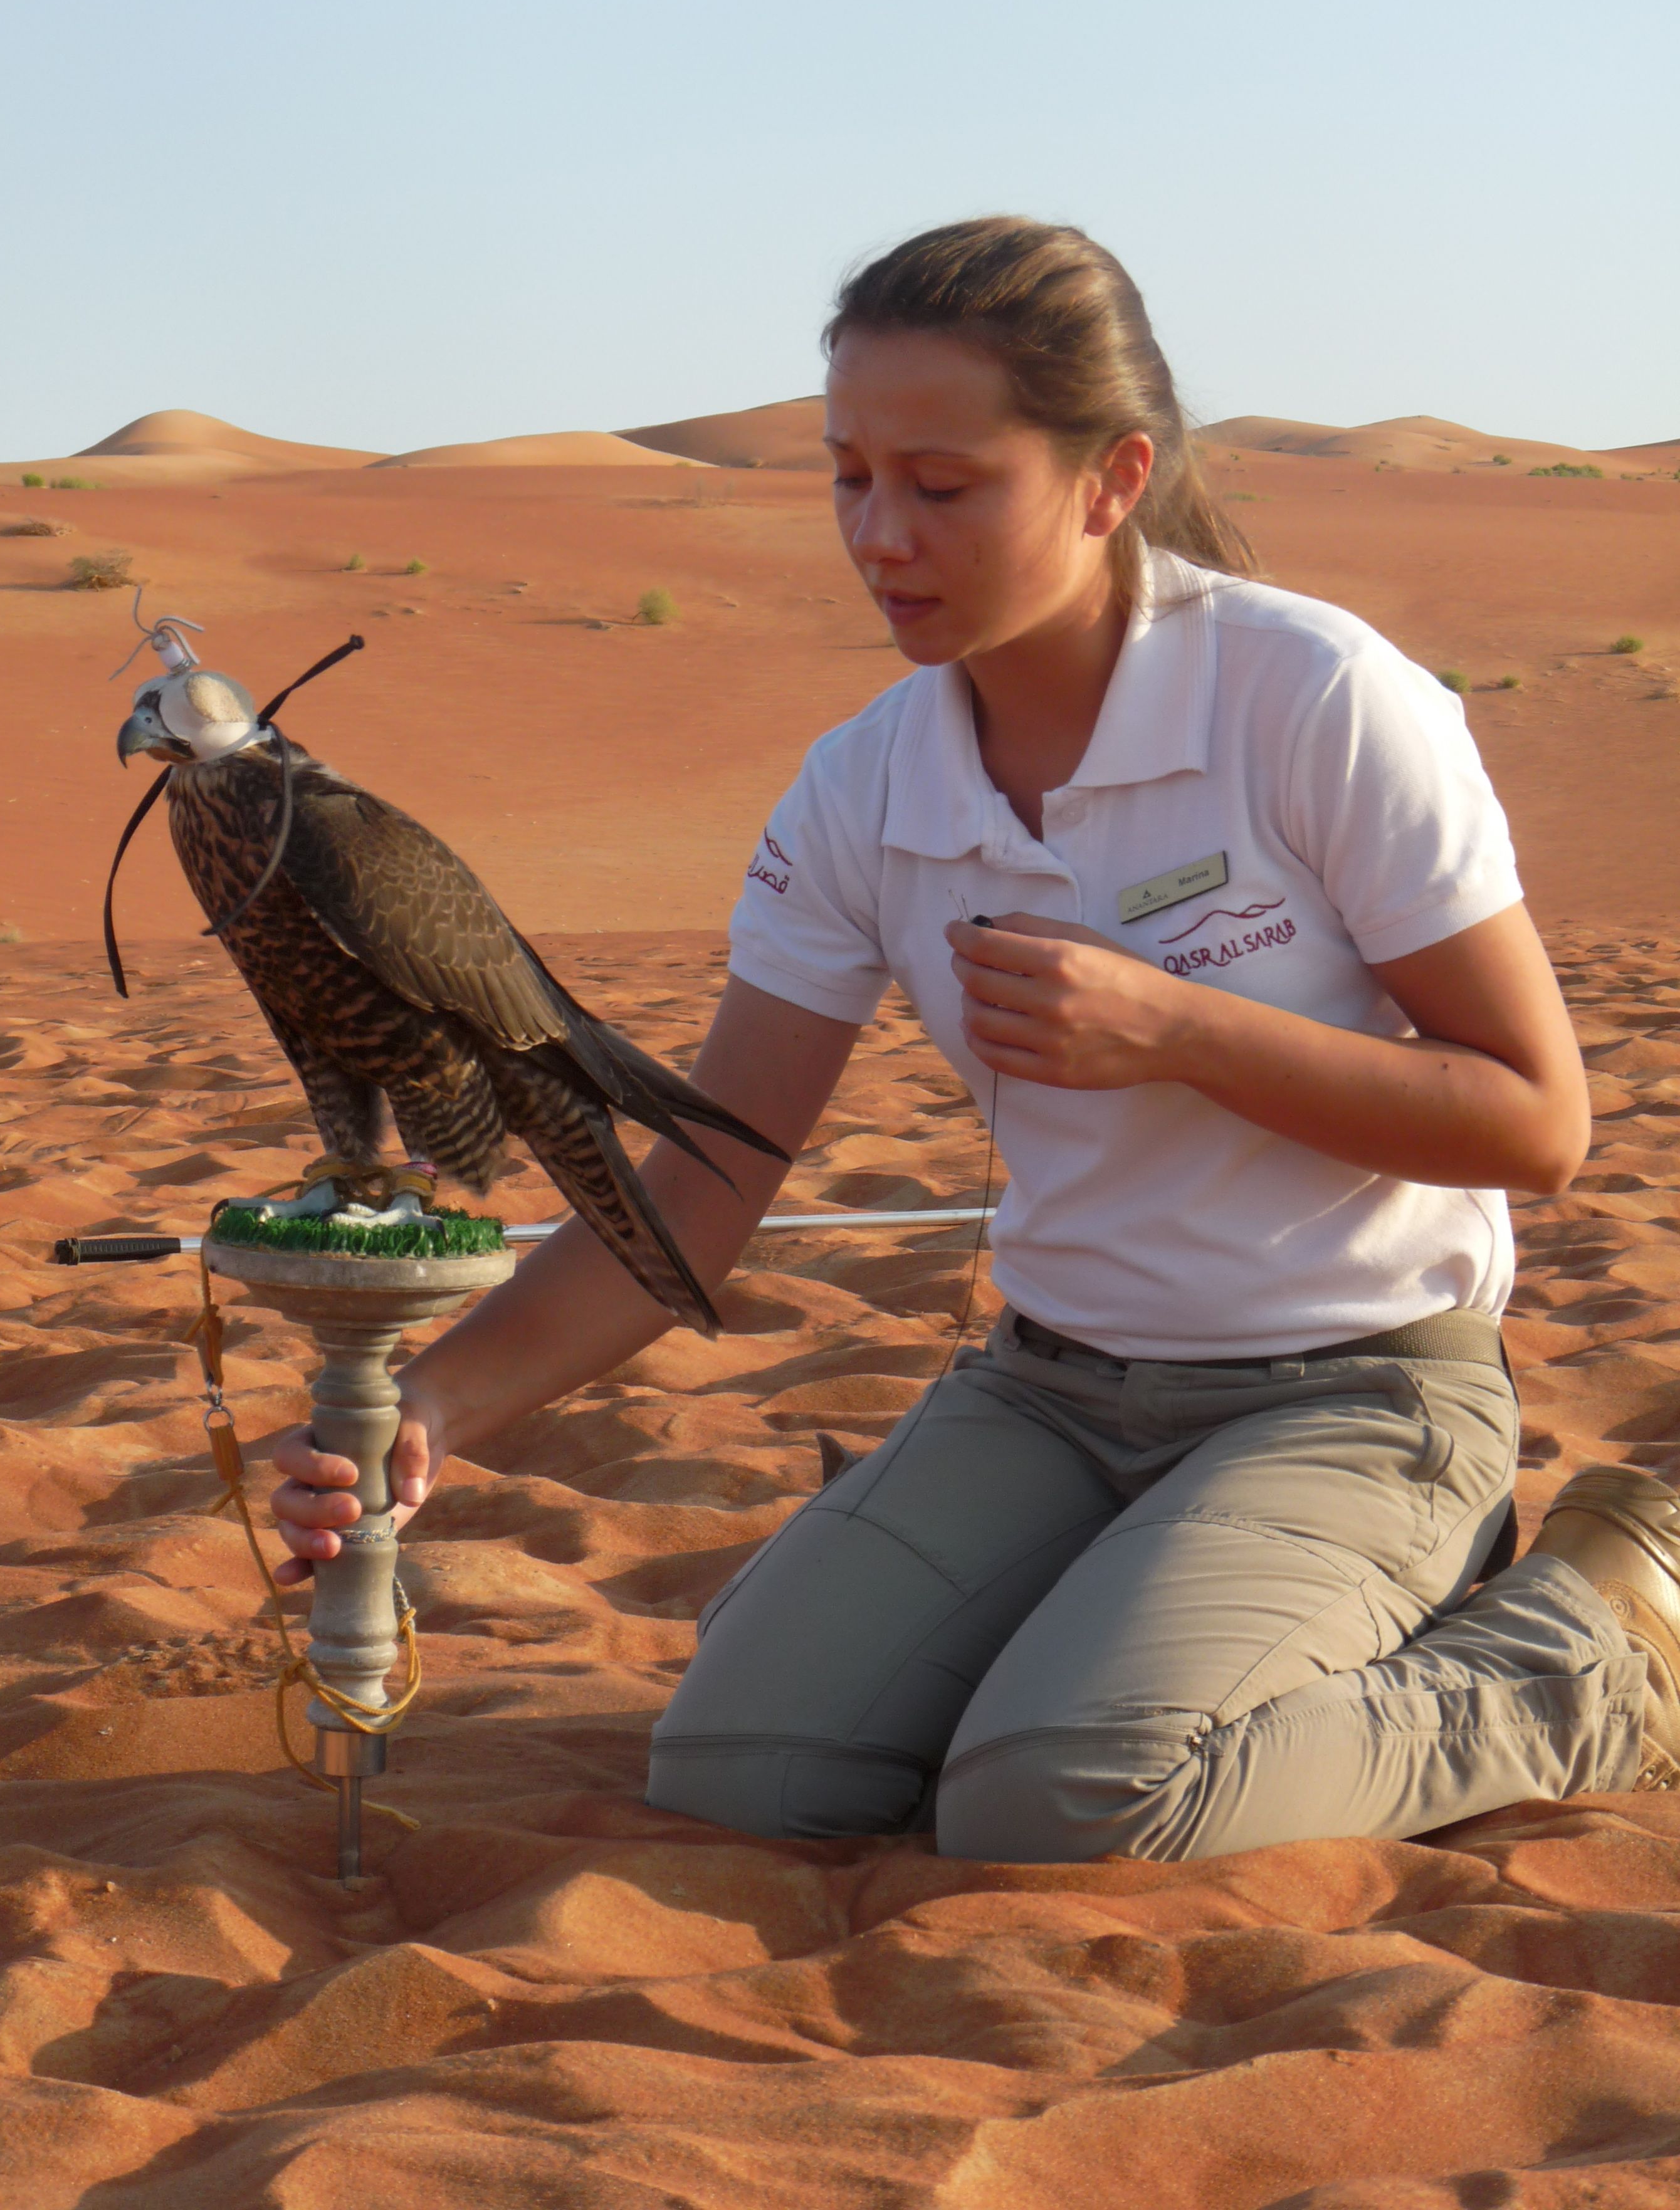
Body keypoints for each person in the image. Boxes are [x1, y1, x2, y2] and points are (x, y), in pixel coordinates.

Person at [269, 217, 1680, 1863]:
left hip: (1361, 1389)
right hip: (1053, 1392)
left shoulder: (1312, 698)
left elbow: (1536, 1123)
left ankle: (1588, 1643)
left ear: (1110, 479)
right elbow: (702, 1190)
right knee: (743, 1769)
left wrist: (1177, 1030)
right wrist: (419, 1417)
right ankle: (1083, 1639)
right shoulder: (865, 784)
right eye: (850, 477)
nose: (882, 535)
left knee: (1070, 1797)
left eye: (944, 488)